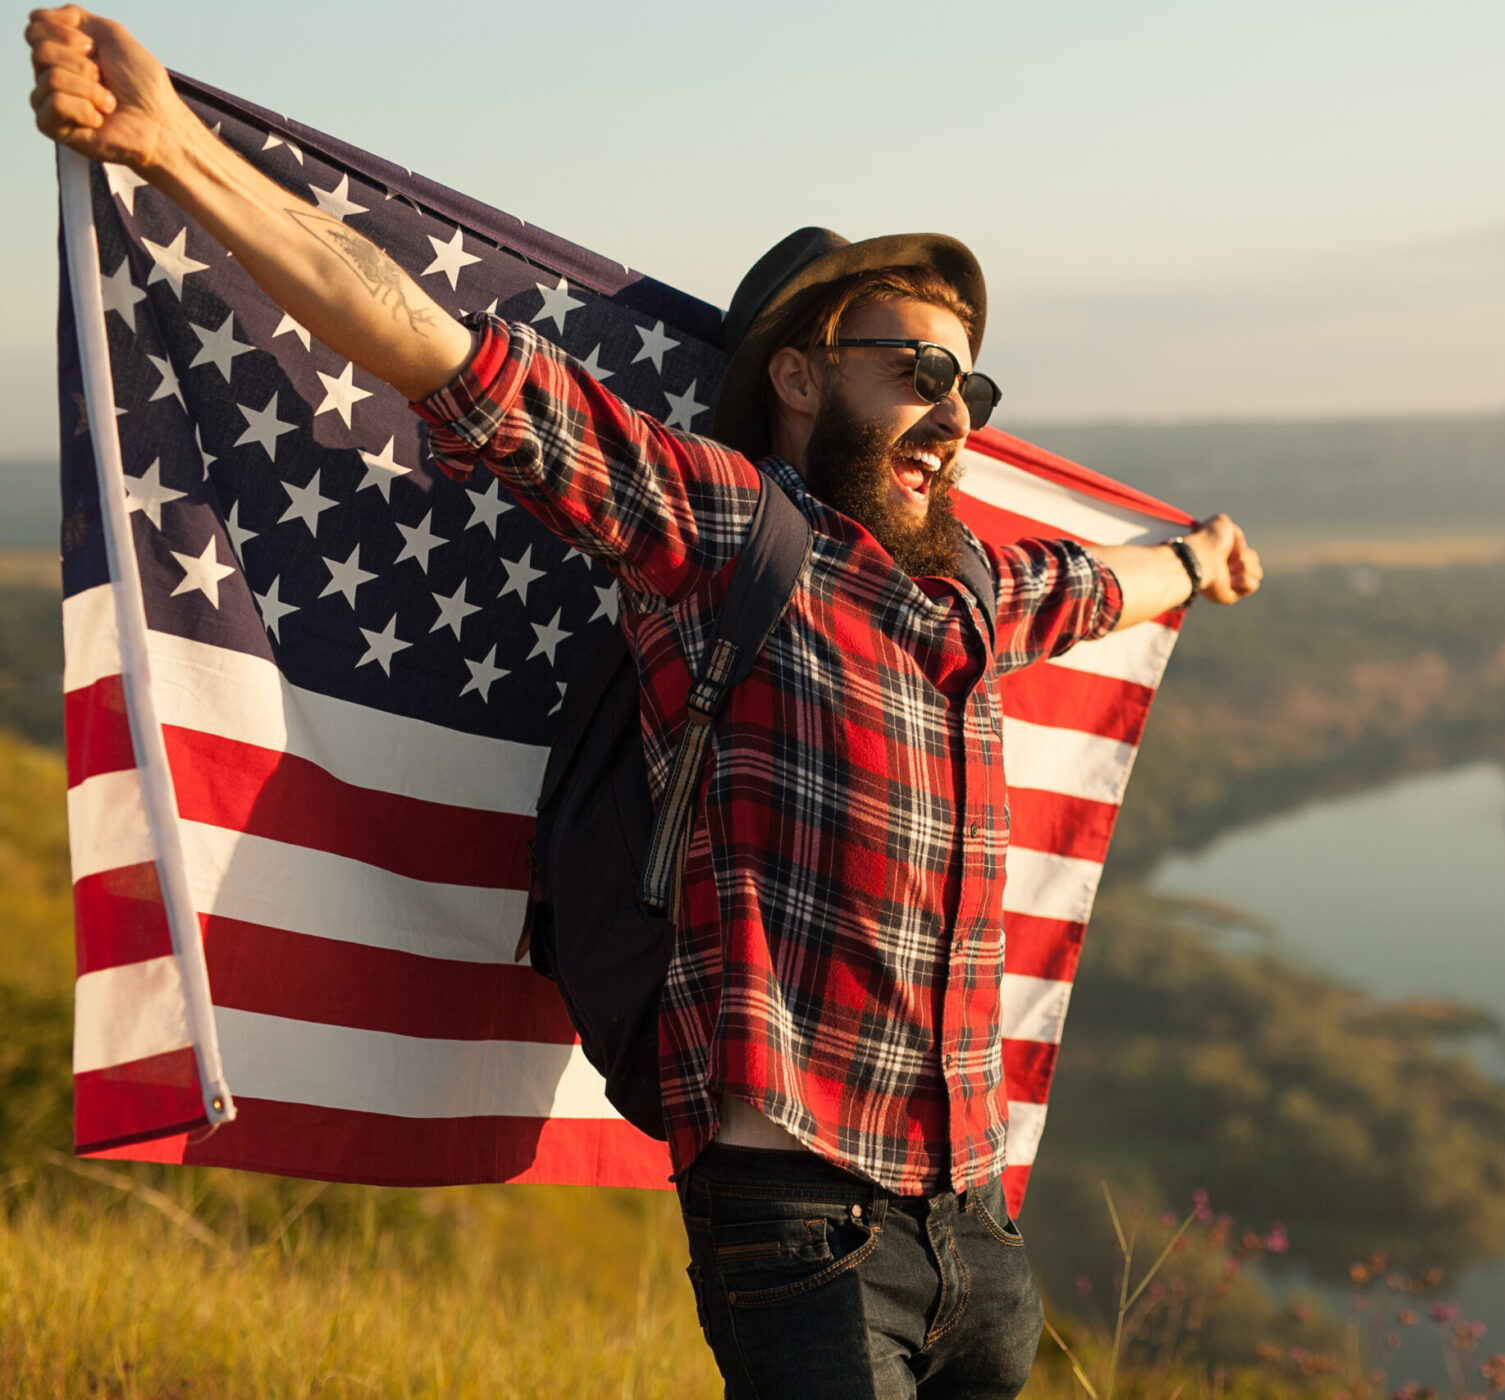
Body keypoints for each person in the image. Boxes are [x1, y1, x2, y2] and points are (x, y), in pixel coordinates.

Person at [26, 8, 1264, 1396]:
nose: (954, 412)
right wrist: (174, 145)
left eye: (969, 379)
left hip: (982, 1243)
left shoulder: (970, 589)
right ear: (799, 377)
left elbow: (1098, 585)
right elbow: (439, 351)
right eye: (915, 370)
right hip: (810, 1239)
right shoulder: (727, 533)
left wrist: (1199, 562)